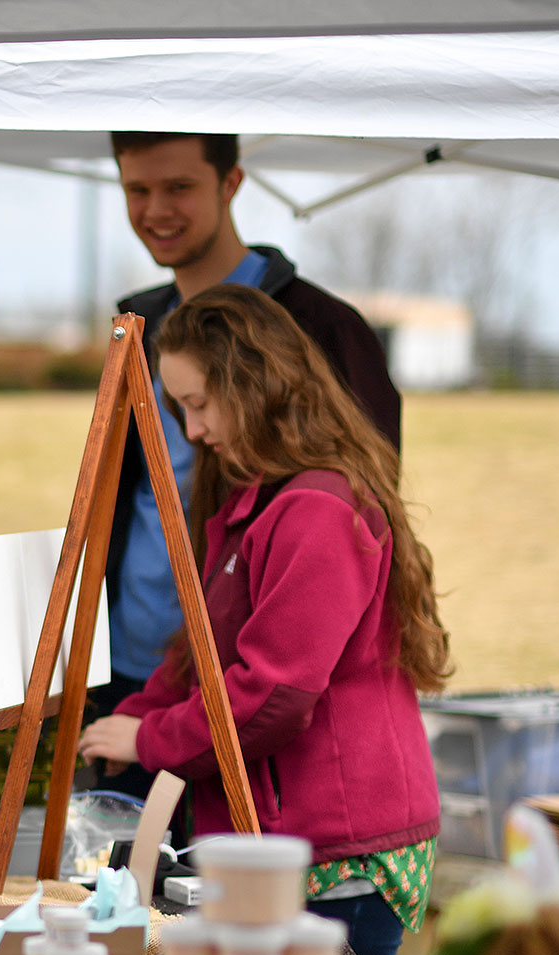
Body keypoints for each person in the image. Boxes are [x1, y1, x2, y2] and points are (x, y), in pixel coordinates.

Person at [78, 284, 449, 955]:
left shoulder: (314, 508)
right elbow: (204, 652)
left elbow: (274, 692)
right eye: (179, 407)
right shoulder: (263, 500)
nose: (190, 431)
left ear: (256, 388)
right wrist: (141, 710)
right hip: (292, 835)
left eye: (199, 405)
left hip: (337, 846)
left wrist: (150, 739)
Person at [97, 131, 404, 806]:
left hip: (257, 699)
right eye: (136, 190)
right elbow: (122, 491)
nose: (156, 210)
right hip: (145, 669)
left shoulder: (324, 327)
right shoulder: (139, 322)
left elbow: (364, 507)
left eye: (178, 187)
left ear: (231, 183)